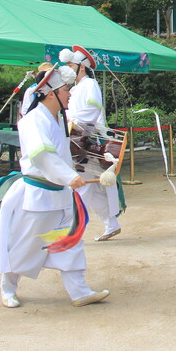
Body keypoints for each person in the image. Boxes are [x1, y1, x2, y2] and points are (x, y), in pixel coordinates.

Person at [0, 65, 109, 309]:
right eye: (66, 89)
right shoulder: (33, 120)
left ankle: (79, 291)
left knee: (70, 242)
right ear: (51, 93)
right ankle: (8, 288)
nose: (70, 94)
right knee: (25, 244)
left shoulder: (59, 119)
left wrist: (79, 170)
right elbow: (41, 156)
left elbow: (61, 155)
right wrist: (69, 176)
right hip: (36, 194)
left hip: (61, 194)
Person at [62, 45, 125, 241]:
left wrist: (72, 123)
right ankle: (111, 223)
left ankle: (70, 231)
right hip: (77, 140)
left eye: (71, 64)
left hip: (86, 140)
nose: (68, 68)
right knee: (91, 187)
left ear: (81, 67)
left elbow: (92, 110)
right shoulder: (75, 88)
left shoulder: (90, 84)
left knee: (82, 187)